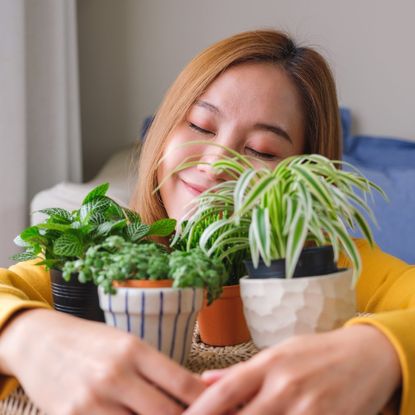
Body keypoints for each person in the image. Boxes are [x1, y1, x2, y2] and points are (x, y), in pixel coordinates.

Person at [0, 29, 414, 415]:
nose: (216, 164)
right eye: (199, 125)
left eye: (262, 150)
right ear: (164, 131)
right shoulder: (112, 248)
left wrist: (381, 351)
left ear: (303, 174)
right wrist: (26, 337)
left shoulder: (333, 269)